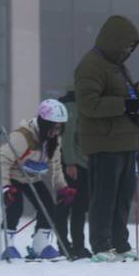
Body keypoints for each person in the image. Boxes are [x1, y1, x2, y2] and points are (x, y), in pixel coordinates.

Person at [74, 15, 139, 262]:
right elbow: (88, 104)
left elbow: (126, 101)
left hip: (126, 140)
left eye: (132, 47)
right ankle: (101, 244)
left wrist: (138, 93)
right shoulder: (90, 65)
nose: (128, 50)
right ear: (113, 41)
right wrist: (124, 104)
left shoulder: (117, 65)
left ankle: (120, 243)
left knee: (123, 197)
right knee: (104, 196)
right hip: (104, 141)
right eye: (126, 45)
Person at [0, 99, 74, 260]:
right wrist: (5, 186)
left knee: (48, 207)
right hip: (14, 176)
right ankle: (6, 245)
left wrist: (62, 187)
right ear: (44, 123)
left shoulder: (54, 139)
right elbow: (3, 160)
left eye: (59, 127)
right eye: (53, 127)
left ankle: (40, 245)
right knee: (15, 207)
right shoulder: (22, 136)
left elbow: (55, 163)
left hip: (32, 177)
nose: (56, 131)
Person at [54, 86, 92, 259]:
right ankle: (65, 245)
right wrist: (69, 162)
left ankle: (77, 245)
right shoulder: (72, 107)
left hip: (83, 164)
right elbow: (68, 137)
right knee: (67, 206)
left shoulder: (80, 106)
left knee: (79, 207)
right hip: (73, 165)